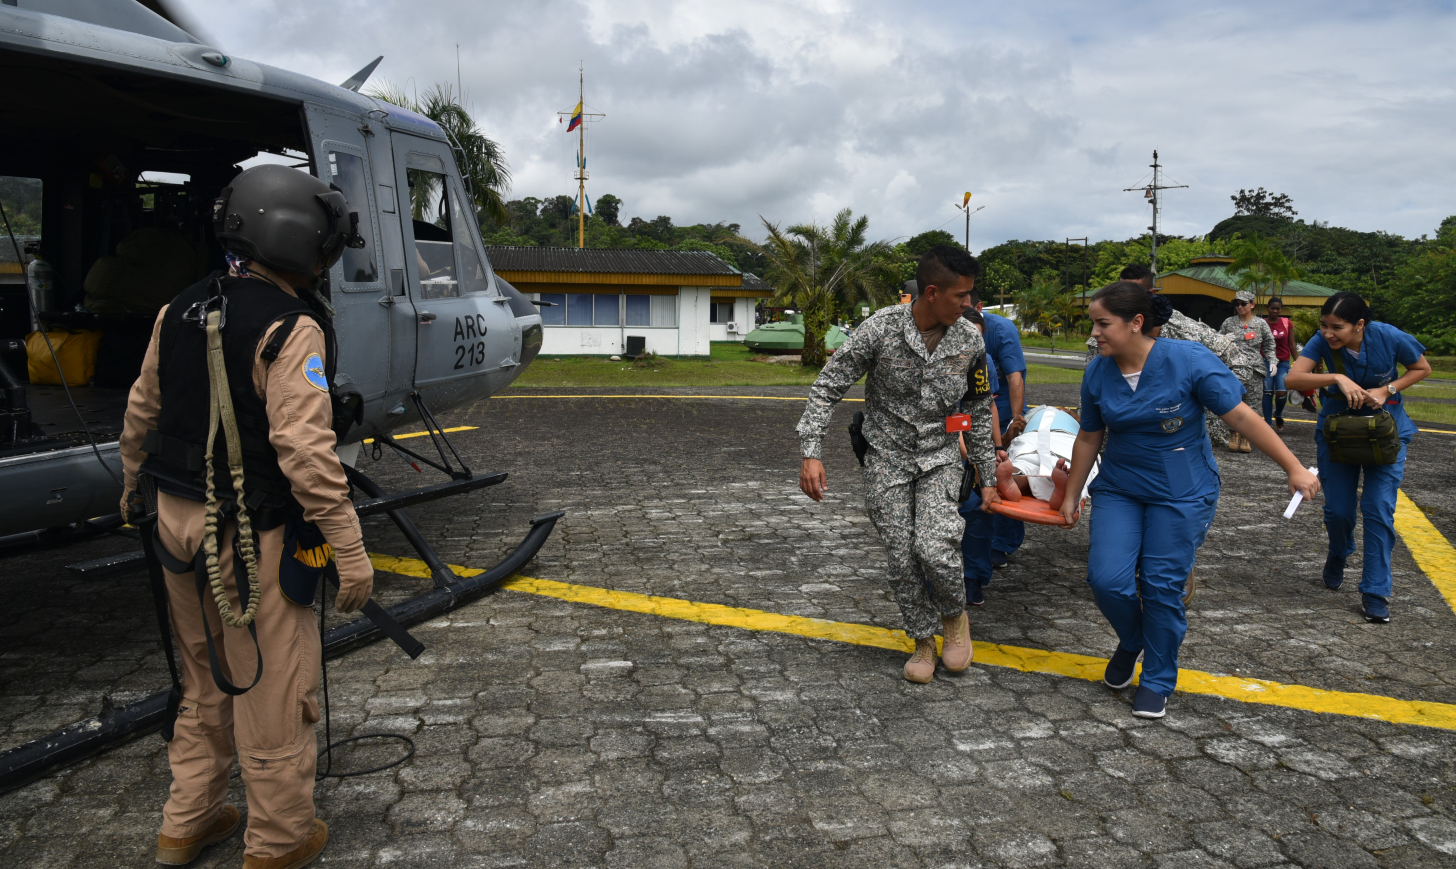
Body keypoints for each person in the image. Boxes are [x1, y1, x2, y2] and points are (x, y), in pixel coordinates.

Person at [119, 165, 374, 868]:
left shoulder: (180, 307)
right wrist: (349, 548)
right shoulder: (291, 327)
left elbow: (142, 409)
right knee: (269, 685)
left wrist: (131, 482)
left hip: (174, 525)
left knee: (202, 679)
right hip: (246, 538)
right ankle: (279, 839)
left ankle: (186, 821)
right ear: (298, 238)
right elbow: (305, 451)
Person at [1059, 282, 1318, 718]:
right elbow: (1089, 434)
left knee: (1161, 584)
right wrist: (1071, 493)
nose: (1094, 334)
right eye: (1093, 324)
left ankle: (1158, 677)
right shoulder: (1097, 372)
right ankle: (1135, 637)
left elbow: (1239, 415)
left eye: (1103, 324)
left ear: (1136, 323)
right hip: (1121, 485)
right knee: (1106, 580)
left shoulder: (1189, 360)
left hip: (1181, 490)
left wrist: (1292, 467)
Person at [798, 245, 999, 683]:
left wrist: (987, 474)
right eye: (961, 296)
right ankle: (923, 641)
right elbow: (826, 386)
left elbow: (978, 410)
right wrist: (811, 451)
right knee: (901, 556)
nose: (968, 304)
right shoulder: (881, 329)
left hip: (941, 457)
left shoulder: (970, 340)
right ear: (931, 293)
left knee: (934, 547)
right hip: (886, 457)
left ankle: (954, 618)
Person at [1285, 292, 1431, 623]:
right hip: (1337, 436)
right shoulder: (1322, 342)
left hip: (1387, 434)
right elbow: (1293, 378)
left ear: (1360, 325)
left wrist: (1387, 390)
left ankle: (1375, 590)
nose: (1328, 333)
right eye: (1324, 325)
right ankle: (1339, 551)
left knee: (1378, 508)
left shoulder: (1389, 336)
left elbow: (1421, 367)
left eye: (1337, 327)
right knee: (1338, 512)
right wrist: (1336, 377)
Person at [1085, 264, 1262, 449]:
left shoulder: (1182, 329)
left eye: (1133, 291)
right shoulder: (1103, 336)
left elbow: (1239, 362)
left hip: (1179, 443)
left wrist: (1201, 399)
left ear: (1151, 293)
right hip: (1121, 446)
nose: (1125, 297)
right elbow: (1092, 391)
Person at [956, 307, 1002, 606]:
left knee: (979, 510)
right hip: (949, 445)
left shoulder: (985, 364)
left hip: (976, 447)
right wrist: (970, 456)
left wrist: (997, 448)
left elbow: (989, 409)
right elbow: (954, 420)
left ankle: (974, 577)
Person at [979, 290, 1027, 568]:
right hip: (968, 415)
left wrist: (1015, 423)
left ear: (980, 307)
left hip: (1002, 411)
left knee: (1004, 473)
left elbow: (1015, 377)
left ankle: (1003, 543)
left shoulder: (1001, 330)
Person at [1219, 290, 1275, 452]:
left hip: (1254, 368)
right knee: (1233, 402)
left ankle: (1246, 438)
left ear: (1252, 304)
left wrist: (1272, 360)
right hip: (1233, 368)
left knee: (1252, 404)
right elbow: (1216, 341)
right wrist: (1223, 339)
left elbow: (1270, 344)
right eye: (1237, 304)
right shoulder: (1229, 322)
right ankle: (1233, 434)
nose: (1240, 307)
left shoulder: (1260, 324)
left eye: (1243, 304)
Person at [1263, 297, 1293, 429]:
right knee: (1267, 392)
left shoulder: (1287, 323)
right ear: (1267, 308)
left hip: (1283, 361)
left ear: (1281, 309)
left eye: (1278, 308)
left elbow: (1291, 344)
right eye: (1272, 308)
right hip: (1266, 361)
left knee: (1281, 392)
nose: (1275, 311)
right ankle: (1268, 423)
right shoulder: (1261, 323)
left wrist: (1298, 361)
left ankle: (1278, 414)